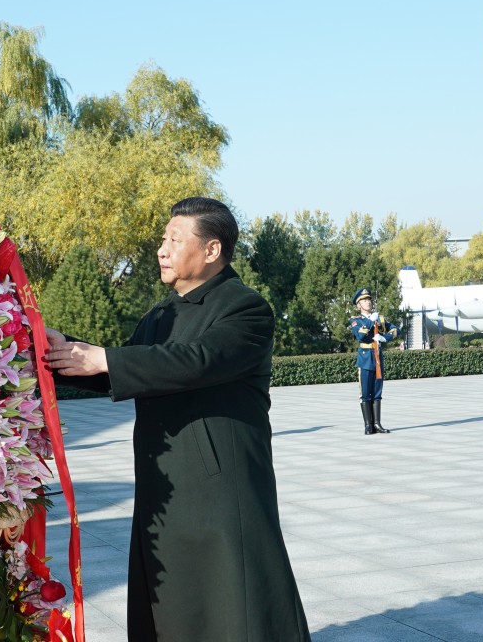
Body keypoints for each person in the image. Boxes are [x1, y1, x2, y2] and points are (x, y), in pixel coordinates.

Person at [44, 197, 310, 642]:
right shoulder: (162, 314)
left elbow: (197, 360)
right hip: (164, 486)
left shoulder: (245, 308)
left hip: (220, 488)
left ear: (212, 250)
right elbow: (127, 368)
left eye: (175, 239)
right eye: (162, 240)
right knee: (171, 606)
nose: (162, 250)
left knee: (233, 605)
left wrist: (104, 358)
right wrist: (57, 351)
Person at [349, 287, 398, 435]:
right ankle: (368, 425)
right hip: (365, 359)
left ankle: (377, 423)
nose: (368, 302)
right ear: (358, 306)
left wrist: (385, 338)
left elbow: (396, 329)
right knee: (365, 393)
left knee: (377, 392)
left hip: (377, 357)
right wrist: (371, 322)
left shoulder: (379, 318)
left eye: (369, 299)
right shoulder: (355, 321)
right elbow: (361, 336)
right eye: (364, 300)